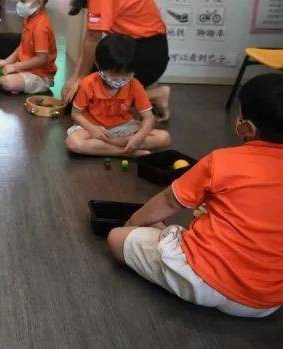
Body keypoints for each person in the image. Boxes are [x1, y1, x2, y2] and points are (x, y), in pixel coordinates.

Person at [106, 73, 283, 318]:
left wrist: (132, 222)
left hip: (204, 282)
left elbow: (169, 201)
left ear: (247, 128)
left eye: (240, 115)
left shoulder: (223, 160)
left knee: (116, 238)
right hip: (266, 303)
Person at [52, 0, 170, 120]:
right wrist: (76, 76)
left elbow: (93, 37)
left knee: (85, 100)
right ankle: (141, 96)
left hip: (147, 54)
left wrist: (80, 78)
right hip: (132, 47)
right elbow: (91, 35)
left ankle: (156, 94)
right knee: (77, 97)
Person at [65, 34, 170, 157]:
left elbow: (149, 118)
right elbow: (76, 114)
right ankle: (124, 152)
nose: (120, 80)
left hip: (124, 127)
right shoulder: (88, 83)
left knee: (164, 137)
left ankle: (109, 147)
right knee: (74, 142)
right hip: (94, 128)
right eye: (113, 75)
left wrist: (139, 137)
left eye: (126, 75)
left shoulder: (135, 85)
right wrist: (93, 129)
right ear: (98, 65)